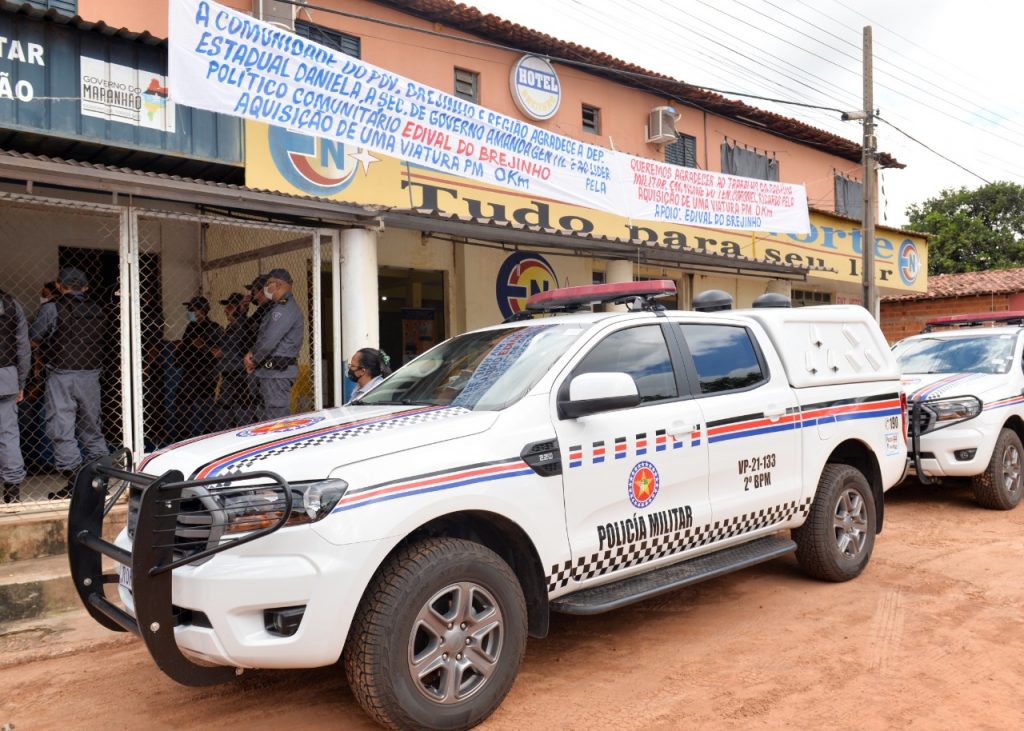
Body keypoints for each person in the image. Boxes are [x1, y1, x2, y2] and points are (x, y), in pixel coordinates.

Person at [29, 267, 109, 499]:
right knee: (92, 430)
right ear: (85, 287)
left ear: (59, 285)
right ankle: (100, 479)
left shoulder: (52, 308)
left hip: (62, 375)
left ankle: (75, 482)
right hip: (91, 375)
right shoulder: (99, 310)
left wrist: (41, 354)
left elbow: (34, 339)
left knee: (61, 429)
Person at [244, 268, 303, 420]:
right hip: (270, 372)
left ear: (276, 284)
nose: (266, 288)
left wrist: (253, 359)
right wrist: (253, 355)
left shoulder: (285, 308)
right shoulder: (277, 307)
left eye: (268, 284)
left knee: (277, 420)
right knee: (266, 419)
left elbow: (269, 339)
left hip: (277, 373)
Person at [0, 289, 30, 503]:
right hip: (6, 377)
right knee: (8, 435)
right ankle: (12, 492)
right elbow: (22, 346)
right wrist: (20, 382)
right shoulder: (11, 303)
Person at [178, 296, 223, 437]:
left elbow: (217, 352)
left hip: (206, 375)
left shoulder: (214, 328)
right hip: (190, 373)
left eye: (192, 309)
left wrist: (203, 346)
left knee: (206, 410)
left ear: (202, 311)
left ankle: (208, 436)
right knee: (183, 404)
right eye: (189, 309)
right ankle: (184, 436)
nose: (189, 312)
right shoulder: (191, 327)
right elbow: (183, 349)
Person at [213, 292, 252, 428]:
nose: (225, 310)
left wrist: (240, 313)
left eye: (229, 307)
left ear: (239, 308)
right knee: (223, 413)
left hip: (241, 378)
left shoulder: (244, 326)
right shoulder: (230, 328)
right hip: (228, 376)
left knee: (242, 415)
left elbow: (240, 339)